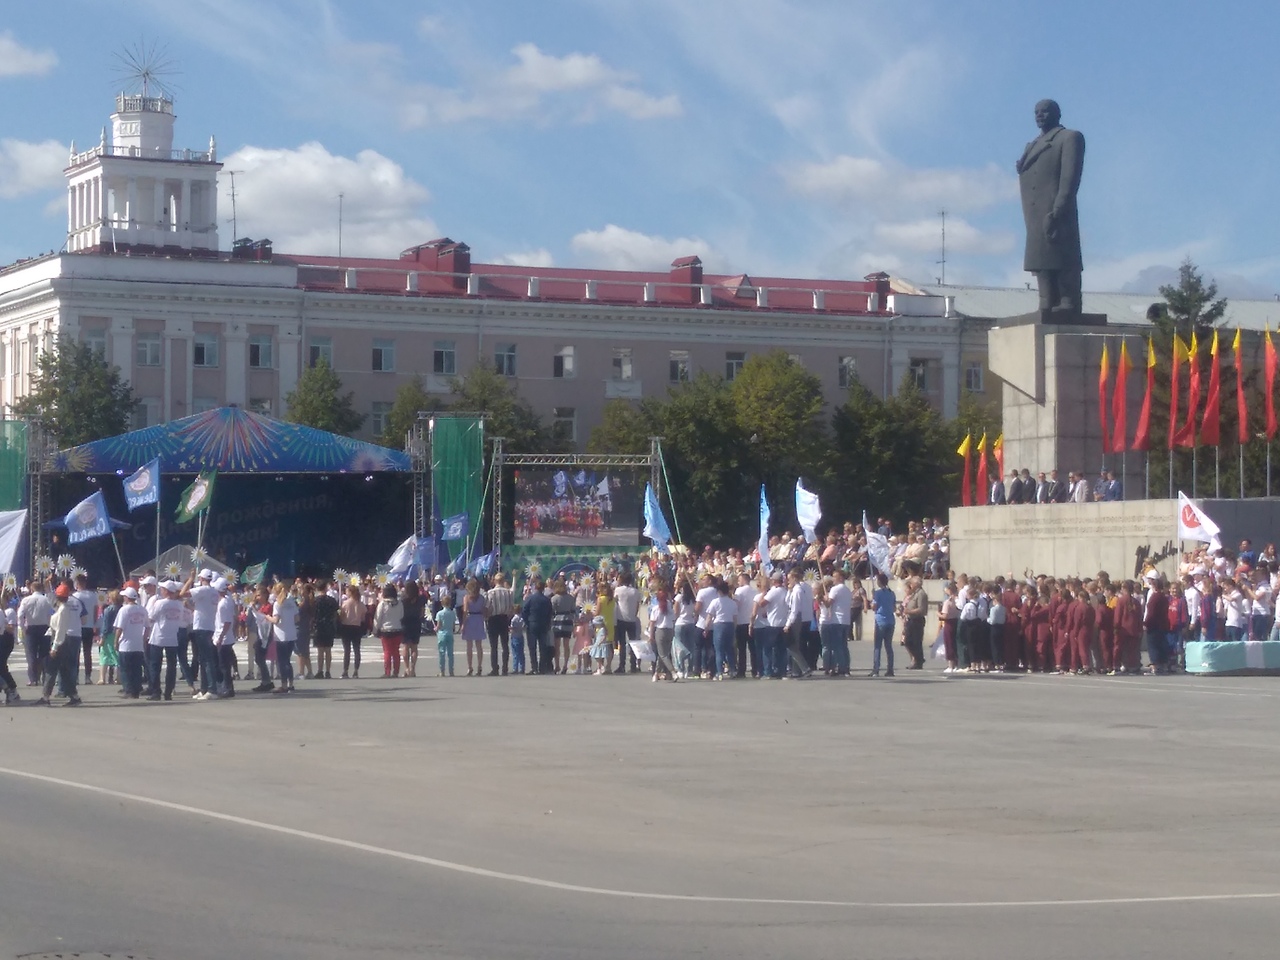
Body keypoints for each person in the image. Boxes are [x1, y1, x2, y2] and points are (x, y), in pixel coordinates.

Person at [1016, 98, 1085, 313]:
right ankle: (1046, 300)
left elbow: (1070, 177)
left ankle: (1068, 301)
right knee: (1041, 257)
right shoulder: (1032, 145)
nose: (1039, 115)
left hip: (1055, 207)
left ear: (1057, 114)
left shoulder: (1069, 137)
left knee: (1062, 254)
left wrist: (1059, 208)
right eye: (1036, 111)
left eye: (1045, 111)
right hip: (1034, 211)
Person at [39, 583, 82, 706]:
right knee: (64, 671)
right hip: (63, 641)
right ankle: (74, 696)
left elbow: (60, 630)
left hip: (60, 642)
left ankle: (46, 697)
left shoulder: (63, 610)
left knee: (51, 670)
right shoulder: (63, 608)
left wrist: (54, 647)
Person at [146, 580, 184, 701]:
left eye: (162, 589)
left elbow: (151, 617)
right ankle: (168, 692)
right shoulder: (179, 604)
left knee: (154, 665)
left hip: (158, 636)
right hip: (172, 636)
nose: (161, 591)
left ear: (166, 591)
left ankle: (156, 691)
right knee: (171, 666)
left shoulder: (160, 603)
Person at [114, 587, 148, 698]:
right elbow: (147, 627)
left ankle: (128, 690)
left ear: (127, 598)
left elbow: (119, 627)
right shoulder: (142, 610)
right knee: (137, 669)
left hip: (126, 644)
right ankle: (136, 690)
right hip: (138, 644)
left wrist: (116, 641)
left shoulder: (124, 610)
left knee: (125, 669)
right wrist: (144, 639)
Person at [17, 580, 52, 687]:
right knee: (44, 654)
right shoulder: (46, 599)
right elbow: (51, 614)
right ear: (41, 589)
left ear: (31, 589)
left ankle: (33, 678)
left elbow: (20, 615)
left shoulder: (26, 600)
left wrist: (22, 627)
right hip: (44, 627)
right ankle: (45, 677)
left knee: (31, 653)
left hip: (31, 628)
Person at [520, 577, 553, 675]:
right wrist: (547, 623)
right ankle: (542, 667)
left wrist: (527, 621)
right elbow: (550, 613)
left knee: (532, 647)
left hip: (532, 624)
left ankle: (534, 667)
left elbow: (524, 610)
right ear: (543, 589)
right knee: (542, 646)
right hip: (543, 624)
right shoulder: (546, 600)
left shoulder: (530, 598)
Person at [211, 577, 237, 698]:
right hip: (224, 636)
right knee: (224, 664)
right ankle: (227, 687)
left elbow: (226, 622)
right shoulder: (227, 601)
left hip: (224, 638)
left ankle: (228, 688)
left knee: (224, 665)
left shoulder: (223, 604)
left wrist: (221, 637)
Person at [485, 573, 514, 676]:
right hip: (504, 618)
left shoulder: (491, 592)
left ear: (495, 581)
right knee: (505, 645)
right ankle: (505, 668)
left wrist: (487, 617)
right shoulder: (509, 592)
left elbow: (488, 607)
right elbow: (511, 607)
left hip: (493, 619)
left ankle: (495, 668)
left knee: (494, 646)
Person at [373, 583, 404, 678]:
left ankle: (387, 672)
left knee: (387, 651)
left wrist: (375, 629)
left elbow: (378, 618)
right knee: (396, 651)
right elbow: (401, 615)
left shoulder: (382, 604)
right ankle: (396, 671)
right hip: (398, 629)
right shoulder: (399, 603)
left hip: (386, 630)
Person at [613, 572, 641, 675]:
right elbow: (637, 605)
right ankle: (633, 665)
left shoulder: (618, 590)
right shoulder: (635, 592)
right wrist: (634, 614)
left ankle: (622, 665)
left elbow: (615, 602)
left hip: (621, 618)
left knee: (622, 643)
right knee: (633, 643)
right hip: (632, 619)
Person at [72, 574, 98, 685]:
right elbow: (96, 610)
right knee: (87, 652)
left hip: (77, 626)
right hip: (89, 626)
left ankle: (76, 677)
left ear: (77, 583)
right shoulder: (93, 595)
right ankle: (88, 676)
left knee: (76, 653)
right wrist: (94, 623)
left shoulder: (75, 596)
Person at [869, 573, 896, 677]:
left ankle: (876, 669)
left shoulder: (878, 593)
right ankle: (890, 668)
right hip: (890, 620)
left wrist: (873, 597)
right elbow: (893, 608)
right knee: (888, 646)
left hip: (880, 620)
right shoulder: (891, 593)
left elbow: (874, 607)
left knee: (877, 646)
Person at [460, 579, 488, 677]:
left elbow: (465, 611)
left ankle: (470, 667)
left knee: (469, 646)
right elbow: (484, 611)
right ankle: (479, 666)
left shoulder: (466, 598)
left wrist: (463, 624)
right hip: (479, 619)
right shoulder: (481, 598)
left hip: (470, 619)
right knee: (479, 645)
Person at [312, 579, 339, 680]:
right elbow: (336, 613)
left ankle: (320, 671)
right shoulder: (331, 600)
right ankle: (328, 671)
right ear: (326, 588)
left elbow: (312, 614)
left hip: (318, 626)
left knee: (320, 650)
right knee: (328, 650)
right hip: (329, 625)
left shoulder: (315, 601)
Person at [338, 584, 366, 679]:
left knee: (347, 650)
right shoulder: (361, 604)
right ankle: (356, 671)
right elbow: (363, 618)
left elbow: (341, 616)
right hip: (357, 627)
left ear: (350, 592)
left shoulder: (345, 603)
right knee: (357, 650)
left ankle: (345, 671)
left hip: (346, 627)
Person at [549, 579, 576, 675]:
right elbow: (573, 611)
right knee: (566, 645)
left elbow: (551, 612)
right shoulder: (571, 598)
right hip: (568, 621)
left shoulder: (554, 598)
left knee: (557, 645)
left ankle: (557, 665)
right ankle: (565, 665)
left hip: (557, 622)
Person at [400, 580, 426, 677]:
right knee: (414, 647)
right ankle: (413, 668)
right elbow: (422, 612)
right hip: (416, 622)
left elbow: (400, 612)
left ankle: (406, 668)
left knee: (406, 647)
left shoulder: (403, 599)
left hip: (405, 623)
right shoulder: (421, 598)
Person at [901, 576, 928, 669]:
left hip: (917, 620)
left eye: (912, 583)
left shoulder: (921, 594)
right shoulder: (914, 593)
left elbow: (922, 609)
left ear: (916, 584)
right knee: (908, 641)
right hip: (911, 619)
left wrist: (909, 611)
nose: (911, 585)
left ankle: (918, 661)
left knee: (916, 641)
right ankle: (918, 658)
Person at [435, 594, 457, 676]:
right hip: (450, 633)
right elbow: (453, 626)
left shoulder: (439, 613)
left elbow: (439, 625)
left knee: (442, 653)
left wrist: (436, 629)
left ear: (442, 603)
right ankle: (451, 670)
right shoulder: (452, 613)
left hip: (441, 634)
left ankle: (442, 671)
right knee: (450, 653)